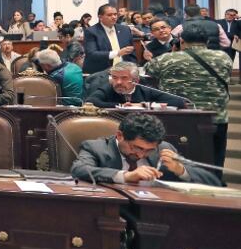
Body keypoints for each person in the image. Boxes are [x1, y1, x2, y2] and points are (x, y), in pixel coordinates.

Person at [145, 23, 232, 171]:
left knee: (177, 158)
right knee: (213, 158)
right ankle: (213, 181)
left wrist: (172, 53)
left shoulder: (167, 59)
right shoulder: (223, 57)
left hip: (178, 118)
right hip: (215, 118)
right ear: (207, 41)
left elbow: (149, 70)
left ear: (181, 41)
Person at [71, 113, 222, 186]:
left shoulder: (163, 149)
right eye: (136, 147)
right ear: (120, 136)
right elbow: (79, 170)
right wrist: (126, 176)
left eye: (149, 150)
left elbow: (213, 182)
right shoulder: (96, 147)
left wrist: (181, 170)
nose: (141, 154)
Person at [84, 61, 189, 108]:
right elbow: (90, 102)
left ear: (136, 81)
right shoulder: (108, 88)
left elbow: (179, 101)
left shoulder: (145, 90)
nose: (118, 82)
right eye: (115, 78)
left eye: (124, 78)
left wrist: (143, 105)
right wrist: (121, 106)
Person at [83, 4, 137, 74]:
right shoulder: (91, 31)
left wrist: (133, 68)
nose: (114, 17)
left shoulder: (125, 29)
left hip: (124, 72)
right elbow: (92, 54)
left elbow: (131, 52)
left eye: (115, 14)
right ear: (100, 17)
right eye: (109, 15)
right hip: (100, 72)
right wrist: (117, 53)